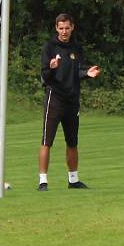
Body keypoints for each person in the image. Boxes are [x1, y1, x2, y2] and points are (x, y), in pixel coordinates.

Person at [38, 13, 101, 191]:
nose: (64, 31)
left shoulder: (76, 48)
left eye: (67, 27)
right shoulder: (49, 47)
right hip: (54, 99)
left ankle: (73, 180)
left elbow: (78, 71)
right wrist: (51, 68)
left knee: (72, 142)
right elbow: (44, 76)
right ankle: (43, 181)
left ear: (72, 27)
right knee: (46, 140)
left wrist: (87, 74)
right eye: (61, 28)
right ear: (56, 28)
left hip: (72, 100)